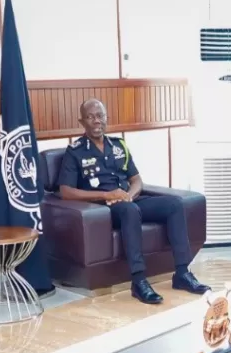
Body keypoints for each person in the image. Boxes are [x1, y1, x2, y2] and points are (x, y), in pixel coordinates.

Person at [58, 99, 210, 304]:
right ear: (82, 121)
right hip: (102, 208)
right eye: (90, 117)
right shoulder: (75, 151)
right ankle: (138, 281)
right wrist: (106, 195)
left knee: (174, 205)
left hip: (128, 201)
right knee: (130, 210)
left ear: (107, 118)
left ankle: (182, 273)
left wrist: (129, 195)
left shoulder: (119, 146)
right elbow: (66, 192)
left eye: (100, 116)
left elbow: (137, 180)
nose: (97, 121)